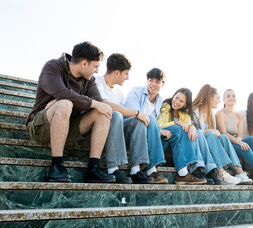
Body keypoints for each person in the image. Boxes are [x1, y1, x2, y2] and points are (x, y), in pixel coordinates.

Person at [26, 41, 116, 183]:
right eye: (96, 66)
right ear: (84, 64)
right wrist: (65, 97)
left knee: (102, 112)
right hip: (41, 125)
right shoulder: (53, 66)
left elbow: (97, 102)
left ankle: (93, 168)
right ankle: (57, 165)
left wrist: (66, 97)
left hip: (69, 126)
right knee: (64, 104)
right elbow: (63, 93)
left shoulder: (89, 80)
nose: (97, 71)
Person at [95, 54, 167, 184]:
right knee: (117, 114)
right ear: (117, 72)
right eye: (126, 74)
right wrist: (137, 112)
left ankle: (135, 170)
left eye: (157, 81)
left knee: (137, 121)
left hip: (120, 131)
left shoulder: (119, 91)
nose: (128, 78)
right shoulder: (96, 81)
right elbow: (105, 104)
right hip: (98, 128)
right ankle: (113, 168)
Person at [193, 85, 252, 185]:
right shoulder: (195, 110)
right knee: (212, 135)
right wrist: (209, 131)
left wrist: (211, 131)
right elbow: (194, 131)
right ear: (210, 97)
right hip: (198, 142)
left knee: (223, 137)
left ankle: (239, 171)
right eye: (217, 98)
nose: (219, 101)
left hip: (209, 140)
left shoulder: (211, 112)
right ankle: (221, 174)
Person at [157, 88, 207, 185]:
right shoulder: (166, 106)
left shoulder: (184, 114)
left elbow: (188, 124)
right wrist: (176, 122)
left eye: (181, 101)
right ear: (173, 95)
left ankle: (191, 170)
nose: (176, 102)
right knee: (179, 129)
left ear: (185, 104)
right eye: (176, 98)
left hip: (175, 143)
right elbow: (159, 124)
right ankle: (183, 174)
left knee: (191, 132)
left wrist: (192, 127)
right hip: (163, 140)